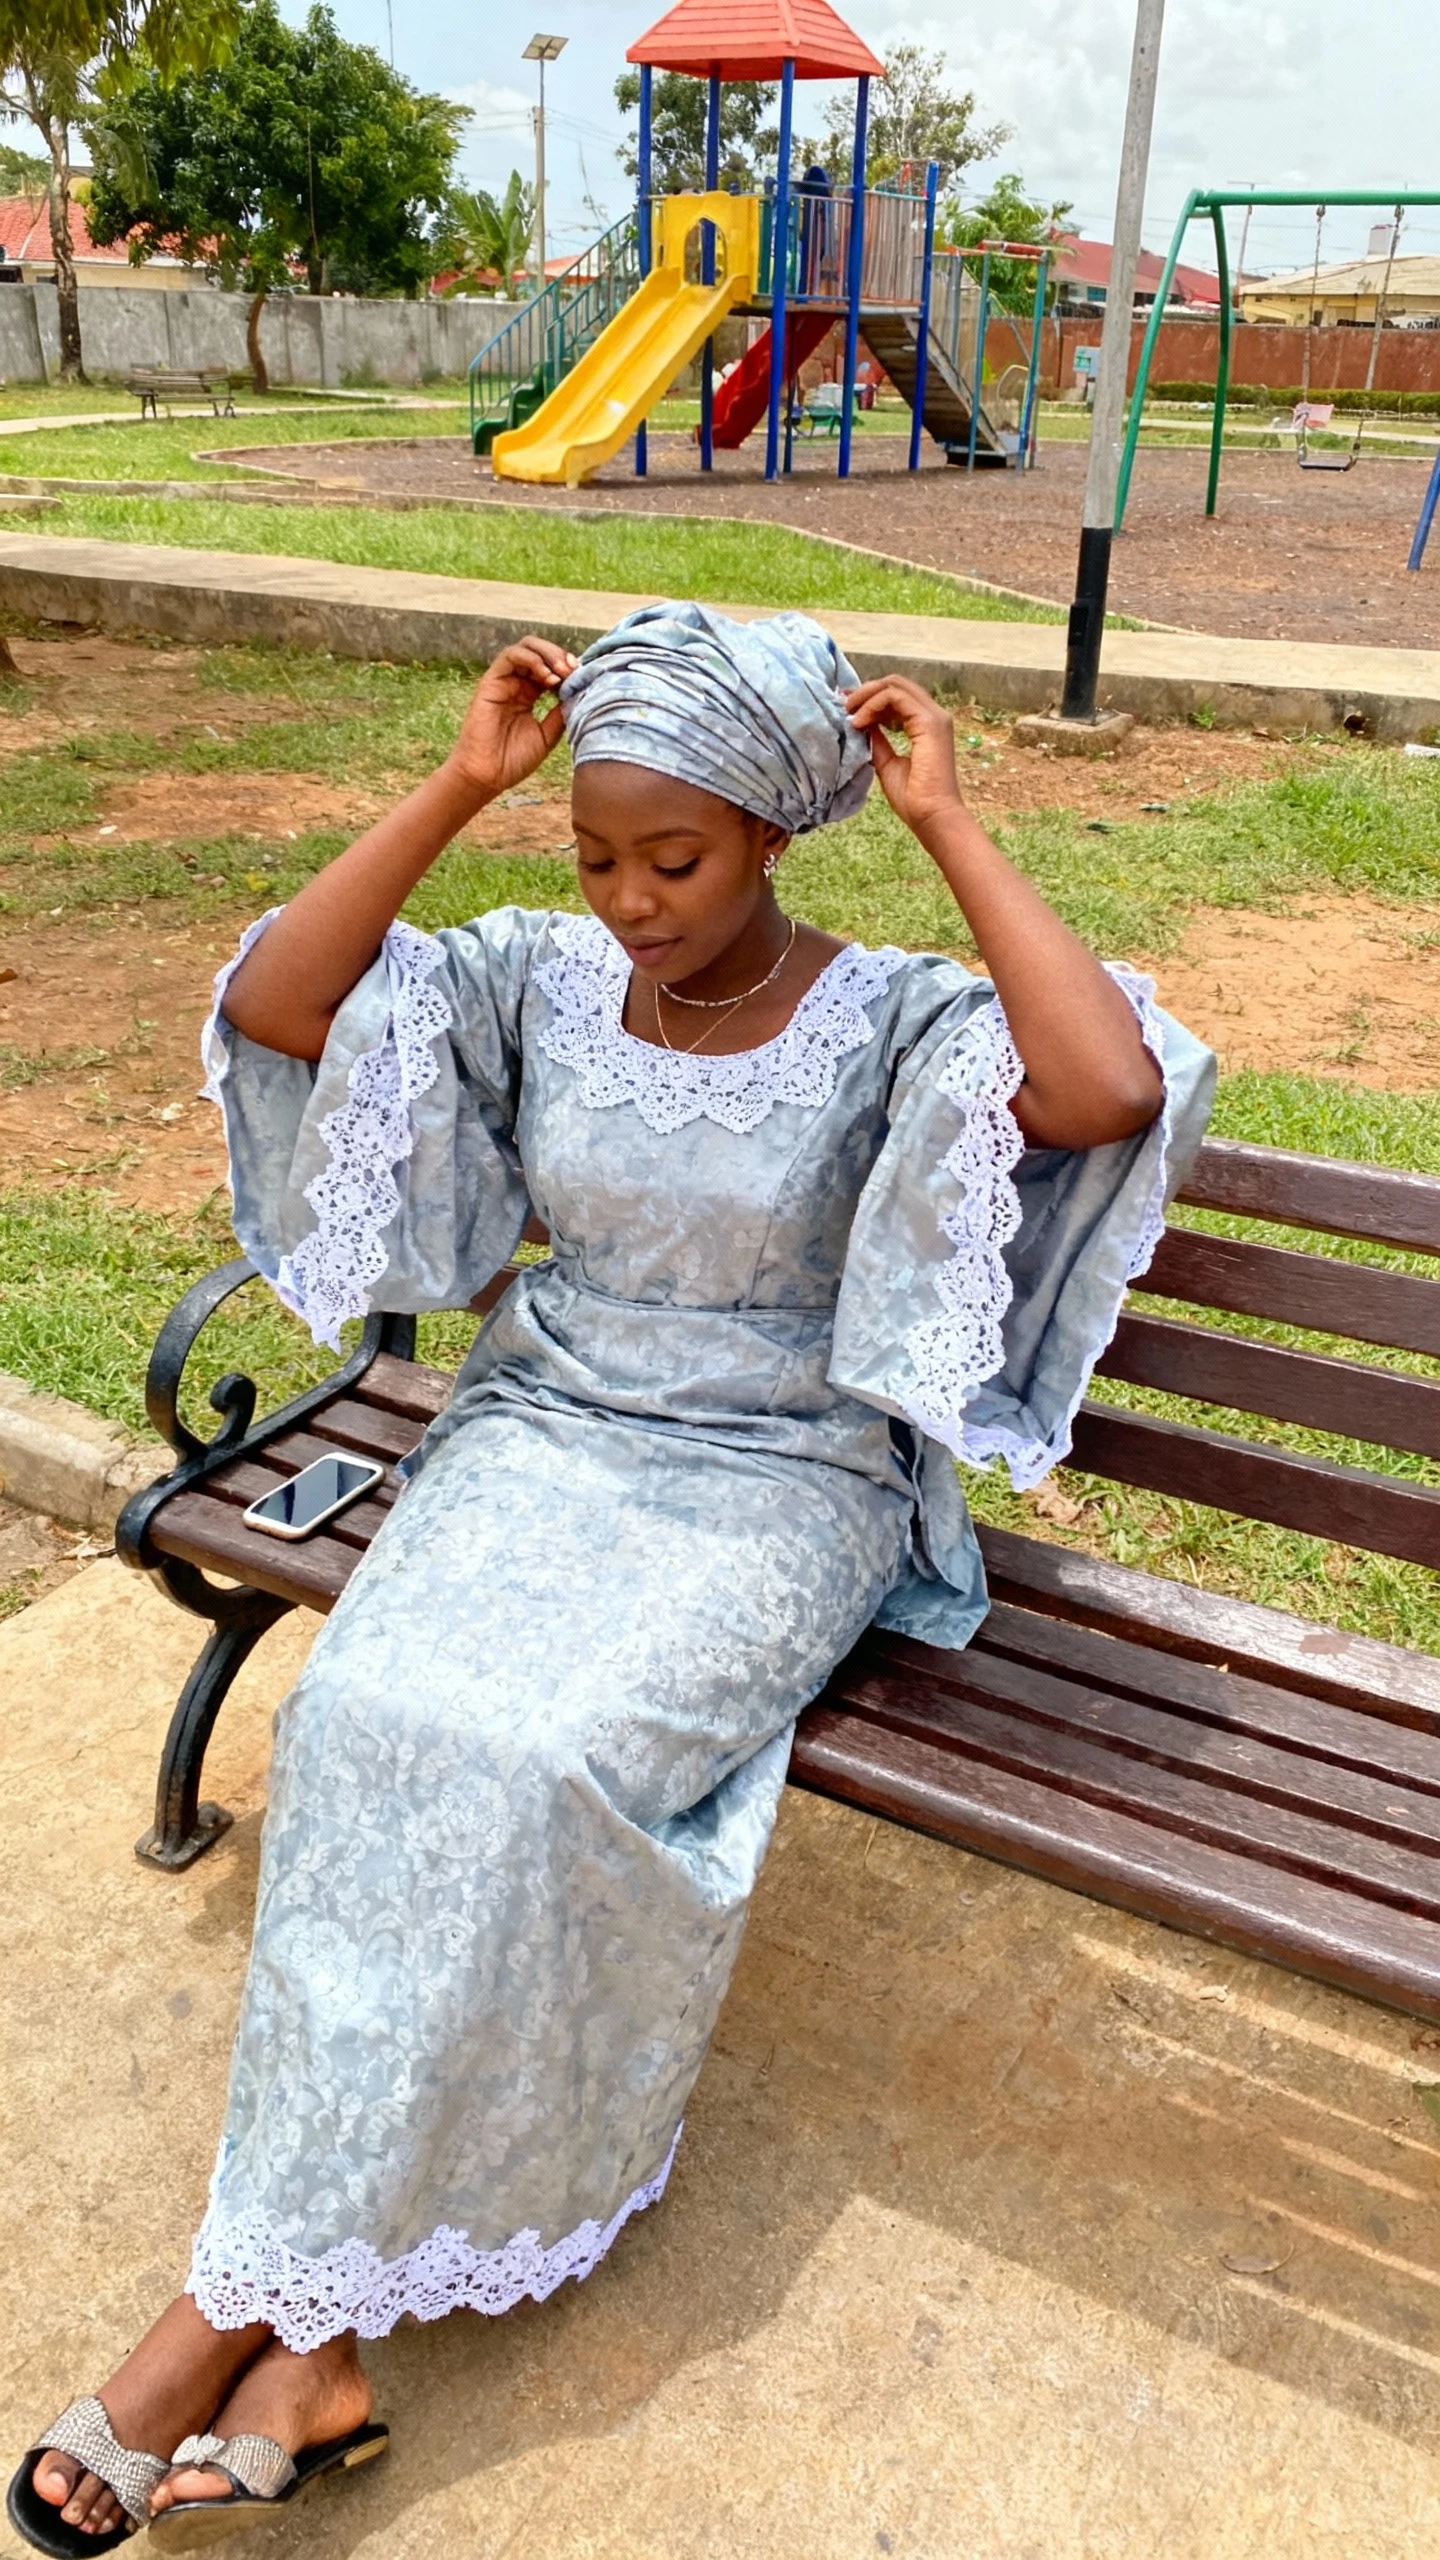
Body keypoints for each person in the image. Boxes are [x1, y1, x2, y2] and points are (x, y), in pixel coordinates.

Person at [10, 604, 1213, 2553]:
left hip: (783, 1475)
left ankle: (218, 2311)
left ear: (771, 835)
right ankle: (308, 2356)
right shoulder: (538, 982)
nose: (633, 901)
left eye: (681, 858)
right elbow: (289, 1005)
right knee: (369, 1718)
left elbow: (1095, 1093)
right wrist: (461, 782)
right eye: (596, 855)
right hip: (547, 1433)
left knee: (538, 1755)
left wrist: (956, 828)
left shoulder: (897, 1016)